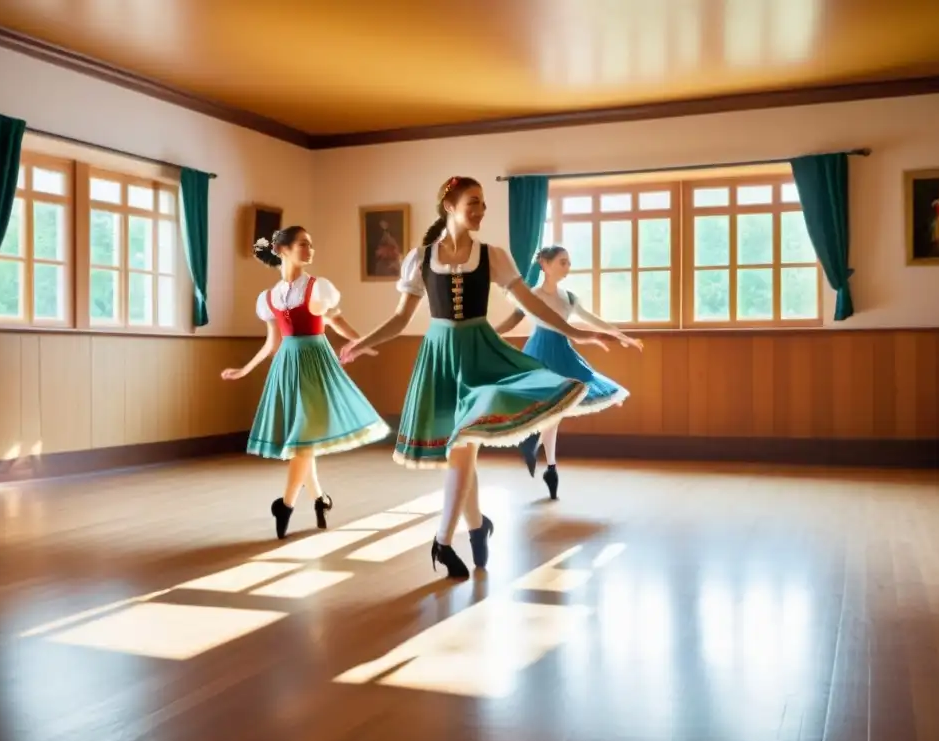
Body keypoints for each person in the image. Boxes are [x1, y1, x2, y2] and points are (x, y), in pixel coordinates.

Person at [339, 176, 610, 579]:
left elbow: (532, 303)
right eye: (474, 202)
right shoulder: (420, 257)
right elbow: (400, 319)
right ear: (449, 205)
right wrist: (361, 343)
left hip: (482, 356)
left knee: (463, 447)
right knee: (460, 453)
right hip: (439, 359)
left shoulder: (493, 256)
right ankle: (477, 525)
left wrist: (575, 331)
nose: (482, 210)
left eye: (484, 203)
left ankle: (443, 541)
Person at [222, 226, 390, 540]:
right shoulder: (268, 298)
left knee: (304, 437)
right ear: (282, 250)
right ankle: (320, 500)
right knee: (305, 440)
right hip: (287, 366)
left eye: (311, 244)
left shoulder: (319, 287)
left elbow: (337, 321)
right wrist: (245, 369)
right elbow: (272, 342)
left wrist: (360, 343)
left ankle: (285, 504)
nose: (310, 249)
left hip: (317, 365)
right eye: (303, 244)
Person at [494, 244, 643, 499]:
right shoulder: (532, 295)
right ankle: (544, 459)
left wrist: (619, 334)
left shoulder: (570, 297)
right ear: (545, 264)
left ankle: (546, 462)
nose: (568, 267)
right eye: (563, 261)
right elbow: (514, 319)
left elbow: (591, 319)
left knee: (559, 408)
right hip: (539, 352)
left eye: (569, 262)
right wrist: (488, 333)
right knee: (552, 409)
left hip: (563, 352)